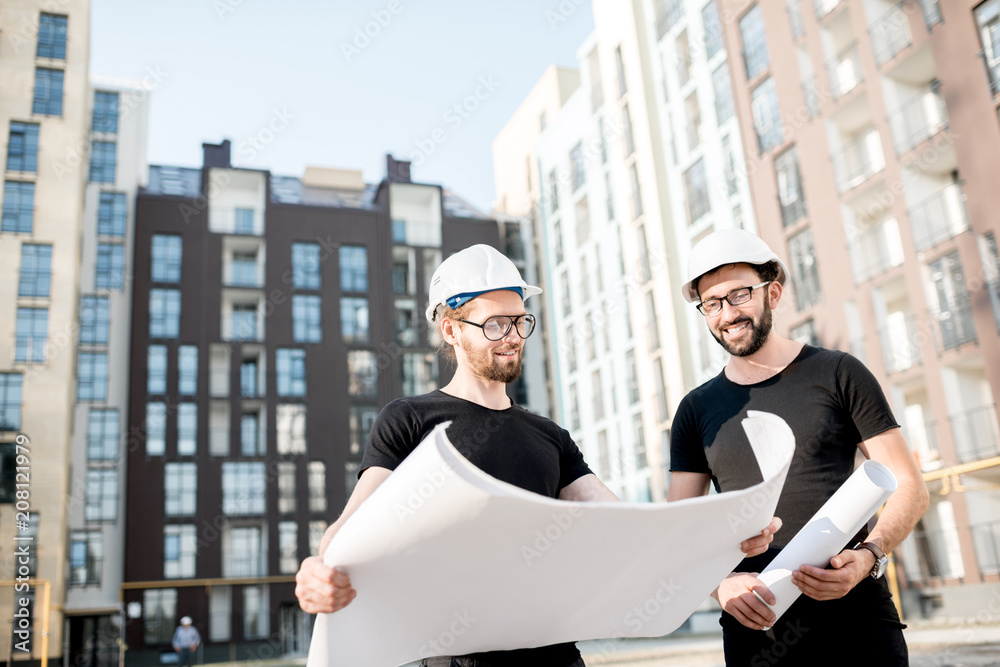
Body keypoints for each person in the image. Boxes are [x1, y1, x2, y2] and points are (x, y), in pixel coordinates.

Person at [295, 244, 777, 667]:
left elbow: (628, 527)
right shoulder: (408, 419)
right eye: (495, 323)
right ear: (450, 329)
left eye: (521, 320)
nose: (512, 335)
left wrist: (723, 540)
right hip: (455, 659)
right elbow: (349, 528)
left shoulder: (549, 436)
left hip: (553, 656)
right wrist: (318, 567)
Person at [667, 228, 929, 666]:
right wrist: (720, 584)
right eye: (711, 304)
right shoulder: (695, 411)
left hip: (859, 625)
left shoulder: (839, 372)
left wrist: (868, 557)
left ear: (773, 292)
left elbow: (909, 486)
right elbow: (677, 528)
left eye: (739, 296)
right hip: (757, 633)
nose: (726, 314)